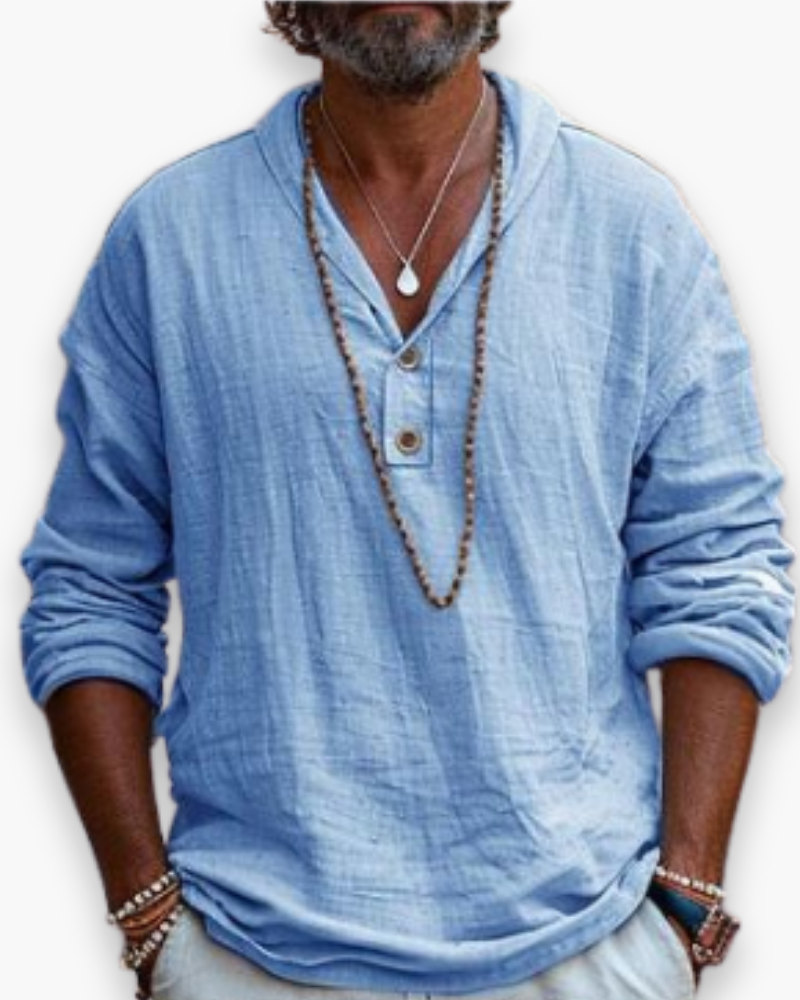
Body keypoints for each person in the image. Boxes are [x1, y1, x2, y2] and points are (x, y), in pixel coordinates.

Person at [18, 3, 796, 999]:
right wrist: (148, 918)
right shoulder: (170, 238)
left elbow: (717, 560)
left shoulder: (630, 227)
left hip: (585, 944)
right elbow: (90, 584)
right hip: (251, 947)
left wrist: (683, 900)